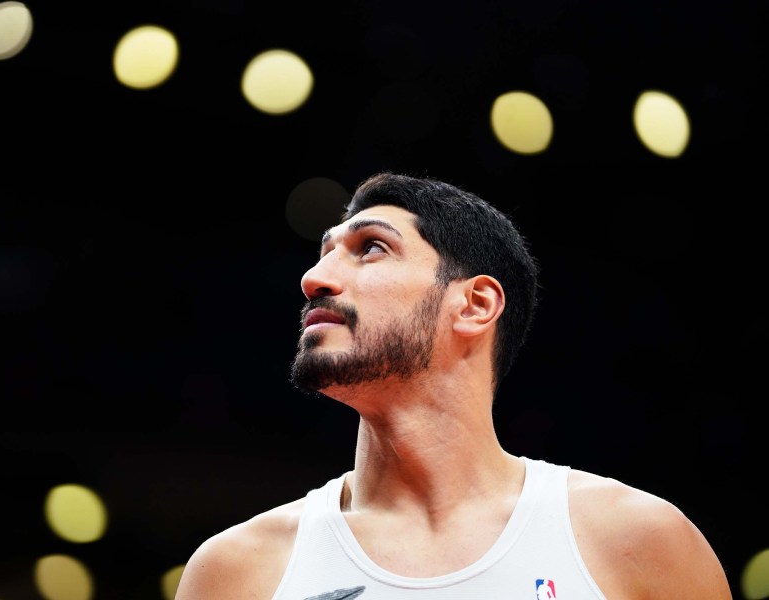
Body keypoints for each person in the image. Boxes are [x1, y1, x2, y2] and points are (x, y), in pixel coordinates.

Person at [175, 172, 733, 599]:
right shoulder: (236, 572)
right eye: (324, 255)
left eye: (371, 248)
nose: (314, 278)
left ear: (474, 304)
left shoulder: (638, 541)